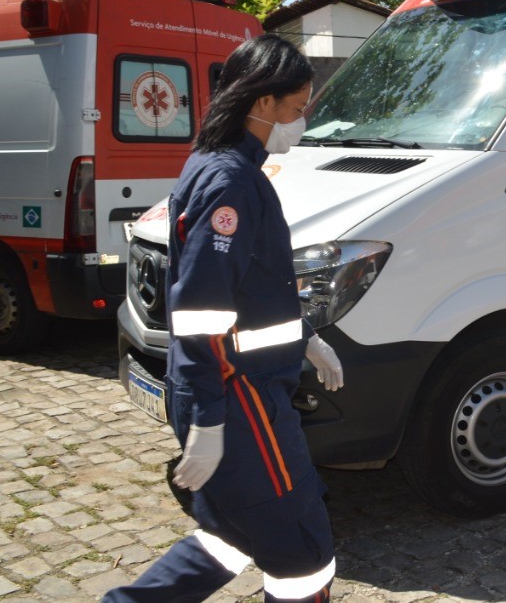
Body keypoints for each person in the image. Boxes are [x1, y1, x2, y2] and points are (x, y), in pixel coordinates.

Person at [106, 35, 343, 603]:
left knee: (232, 534)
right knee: (303, 553)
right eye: (297, 106)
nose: (301, 119)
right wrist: (210, 420)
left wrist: (306, 339)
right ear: (263, 104)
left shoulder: (222, 165)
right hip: (241, 398)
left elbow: (248, 288)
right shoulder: (231, 179)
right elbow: (201, 309)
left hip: (244, 390)